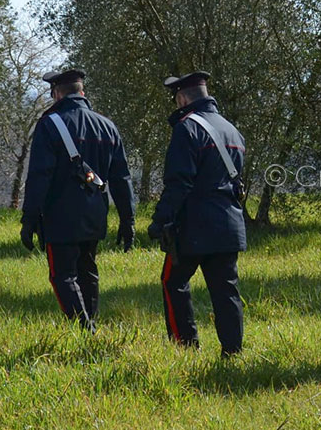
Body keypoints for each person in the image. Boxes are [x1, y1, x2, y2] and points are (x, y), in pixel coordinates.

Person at [20, 68, 135, 333]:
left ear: (56, 93)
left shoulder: (50, 124)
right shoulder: (108, 126)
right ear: (83, 93)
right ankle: (90, 324)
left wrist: (29, 218)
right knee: (88, 270)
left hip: (60, 215)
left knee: (61, 275)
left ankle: (84, 329)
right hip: (95, 213)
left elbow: (39, 176)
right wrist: (128, 220)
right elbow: (122, 178)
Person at [147, 71, 247, 357]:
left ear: (181, 98)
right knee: (226, 291)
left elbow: (179, 182)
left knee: (173, 282)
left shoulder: (187, 127)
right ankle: (233, 353)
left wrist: (160, 220)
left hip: (194, 227)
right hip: (229, 224)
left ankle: (185, 347)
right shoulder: (232, 130)